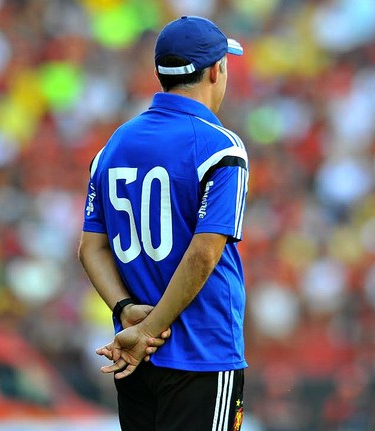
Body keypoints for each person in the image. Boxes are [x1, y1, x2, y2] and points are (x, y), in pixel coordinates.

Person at [78, 15, 249, 431]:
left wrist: (126, 313)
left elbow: (90, 248)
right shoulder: (220, 146)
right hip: (201, 353)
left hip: (134, 352)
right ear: (215, 71)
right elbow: (204, 253)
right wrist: (150, 330)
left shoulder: (114, 144)